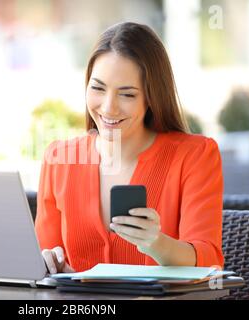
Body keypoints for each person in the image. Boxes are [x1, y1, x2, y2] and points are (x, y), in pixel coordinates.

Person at [35, 22, 224, 274]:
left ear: (151, 97)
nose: (108, 107)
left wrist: (156, 243)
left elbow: (209, 260)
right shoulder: (60, 158)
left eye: (127, 94)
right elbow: (45, 257)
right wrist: (46, 261)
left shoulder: (195, 155)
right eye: (98, 88)